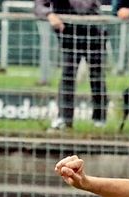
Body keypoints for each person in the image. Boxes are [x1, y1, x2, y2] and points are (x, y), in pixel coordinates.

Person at [34, 0, 108, 130]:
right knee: (68, 75)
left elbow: (85, 7)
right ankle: (64, 118)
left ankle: (100, 119)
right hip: (69, 33)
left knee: (97, 76)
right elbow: (39, 5)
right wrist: (50, 14)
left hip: (94, 30)